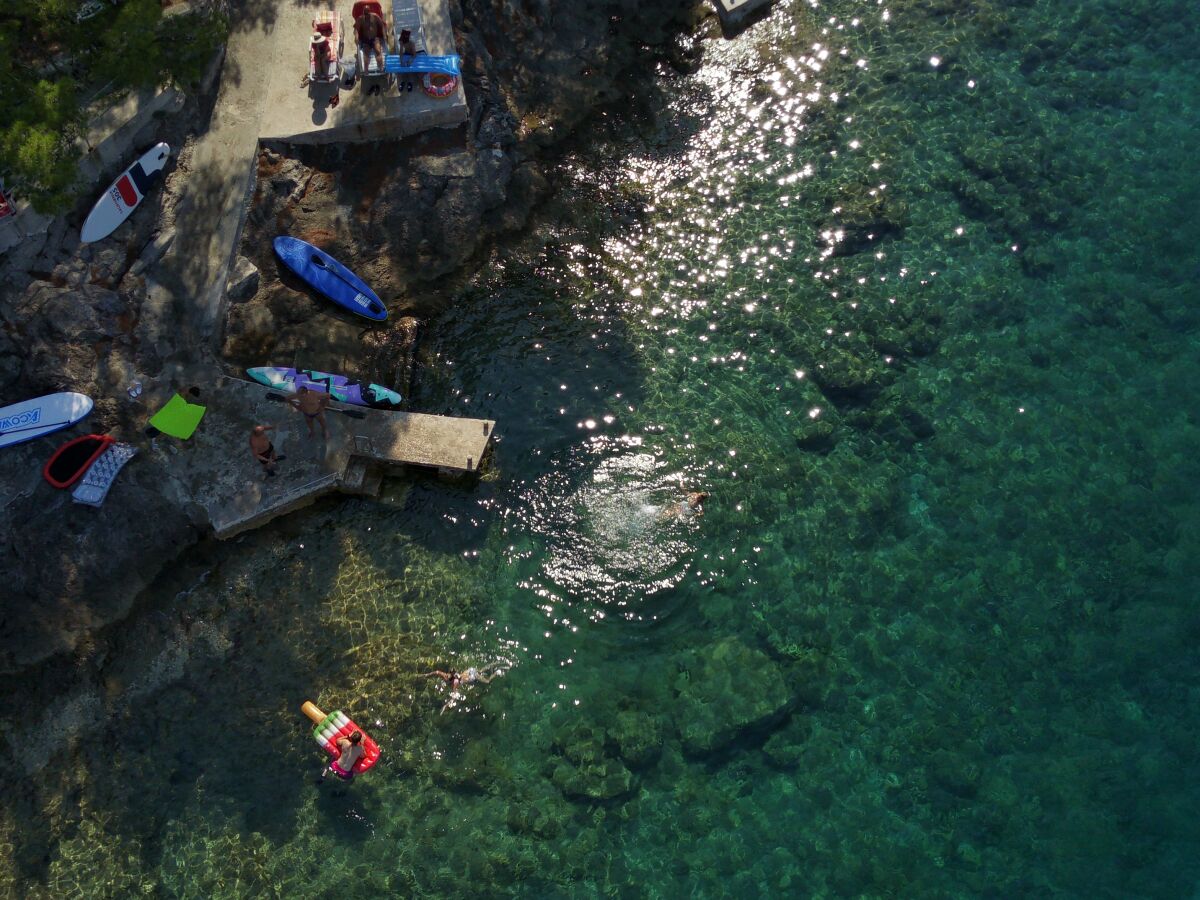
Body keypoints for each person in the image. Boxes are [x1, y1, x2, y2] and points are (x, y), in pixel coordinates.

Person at [423, 664, 505, 713]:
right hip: (470, 670)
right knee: (479, 671)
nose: (445, 677)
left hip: (472, 676)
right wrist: (427, 675)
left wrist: (445, 706)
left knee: (487, 681)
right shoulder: (448, 675)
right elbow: (437, 672)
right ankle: (493, 664)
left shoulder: (455, 682)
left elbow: (454, 695)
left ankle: (497, 672)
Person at [355, 6, 387, 73]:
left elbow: (382, 25)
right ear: (363, 12)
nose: (366, 15)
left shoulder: (375, 16)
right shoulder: (361, 19)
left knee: (378, 51)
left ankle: (380, 67)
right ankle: (366, 69)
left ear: (370, 11)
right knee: (366, 54)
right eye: (365, 13)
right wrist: (356, 37)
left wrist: (384, 35)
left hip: (375, 39)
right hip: (366, 39)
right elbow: (356, 29)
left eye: (367, 13)